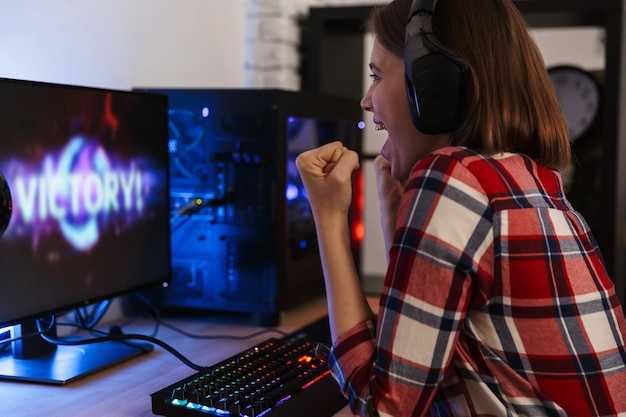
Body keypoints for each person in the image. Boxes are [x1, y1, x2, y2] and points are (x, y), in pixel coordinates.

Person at [295, 0, 626, 415]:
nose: (366, 100)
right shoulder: (530, 179)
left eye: (377, 76)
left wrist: (328, 217)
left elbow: (383, 407)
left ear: (432, 83)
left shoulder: (452, 174)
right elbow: (420, 358)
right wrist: (394, 216)